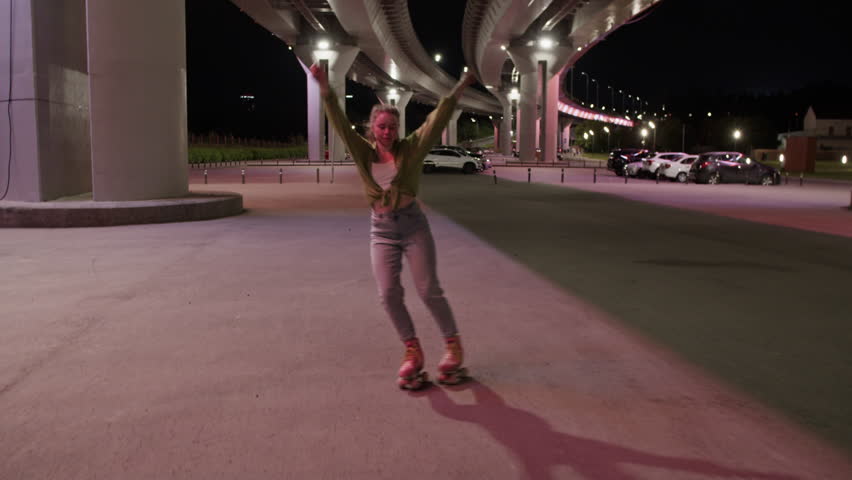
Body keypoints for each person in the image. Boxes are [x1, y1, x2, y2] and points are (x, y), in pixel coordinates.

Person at [309, 63, 476, 390]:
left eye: (392, 127)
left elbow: (436, 120)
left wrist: (460, 87)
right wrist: (325, 88)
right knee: (388, 294)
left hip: (413, 227)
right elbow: (340, 124)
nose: (387, 132)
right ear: (372, 128)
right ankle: (412, 350)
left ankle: (452, 344)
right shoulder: (362, 152)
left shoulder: (411, 148)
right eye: (382, 127)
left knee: (428, 290)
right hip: (382, 231)